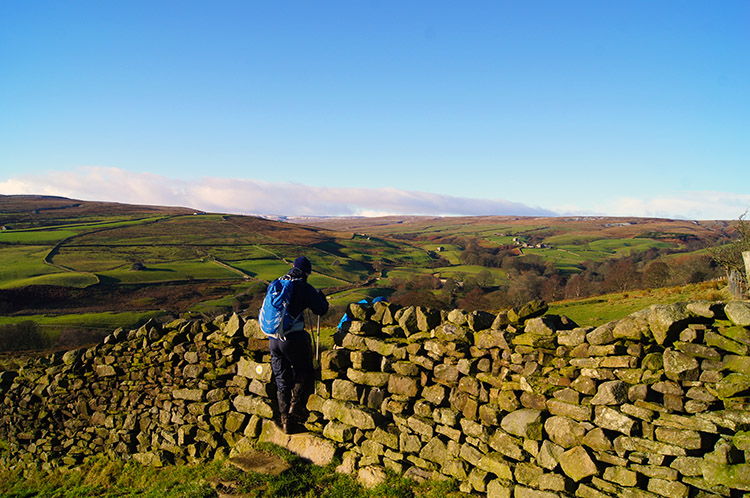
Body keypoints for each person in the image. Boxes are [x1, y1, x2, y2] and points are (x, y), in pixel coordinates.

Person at [268, 256, 328, 434]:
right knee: (305, 370)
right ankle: (295, 407)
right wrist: (321, 299)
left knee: (282, 380)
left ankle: (285, 421)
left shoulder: (278, 283)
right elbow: (321, 310)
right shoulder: (303, 287)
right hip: (293, 338)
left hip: (273, 339)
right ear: (306, 272)